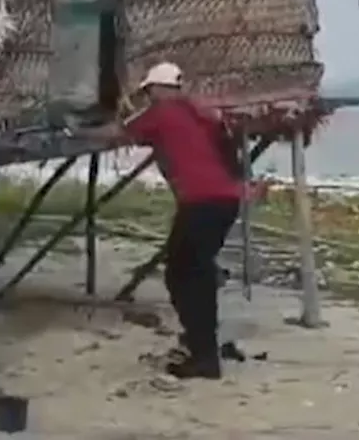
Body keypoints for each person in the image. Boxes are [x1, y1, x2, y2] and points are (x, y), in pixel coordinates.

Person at [80, 61, 242, 379]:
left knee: (183, 275)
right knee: (195, 270)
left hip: (202, 201)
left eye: (150, 90)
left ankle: (204, 354)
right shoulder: (201, 111)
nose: (149, 96)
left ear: (158, 88)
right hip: (227, 199)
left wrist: (80, 131)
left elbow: (118, 133)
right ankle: (201, 342)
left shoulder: (161, 112)